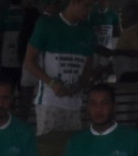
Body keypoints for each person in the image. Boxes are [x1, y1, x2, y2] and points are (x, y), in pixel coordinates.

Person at [22, 0, 96, 136]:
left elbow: (88, 68)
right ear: (73, 2)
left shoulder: (87, 30)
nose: (89, 10)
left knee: (72, 146)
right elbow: (29, 62)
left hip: (75, 104)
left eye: (91, 6)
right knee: (48, 145)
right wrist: (52, 83)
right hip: (50, 102)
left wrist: (77, 87)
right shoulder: (47, 24)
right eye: (86, 5)